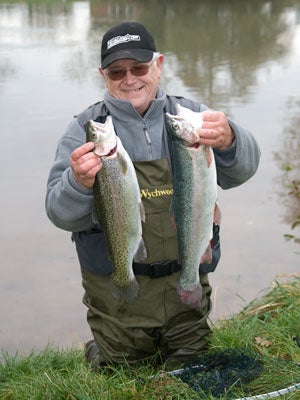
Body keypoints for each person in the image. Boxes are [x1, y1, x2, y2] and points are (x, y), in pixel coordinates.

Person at [45, 21, 260, 369]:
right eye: (117, 72)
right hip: (118, 306)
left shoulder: (190, 116)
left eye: (139, 67)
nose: (129, 79)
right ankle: (99, 348)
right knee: (121, 369)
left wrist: (230, 138)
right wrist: (79, 182)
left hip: (184, 291)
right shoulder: (85, 130)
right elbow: (58, 213)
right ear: (104, 75)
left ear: (158, 66)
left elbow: (243, 171)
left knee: (191, 365)